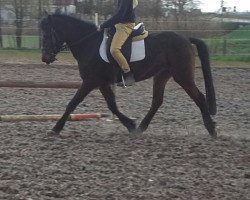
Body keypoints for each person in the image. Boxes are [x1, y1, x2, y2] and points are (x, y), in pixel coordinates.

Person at [97, 0, 138, 86]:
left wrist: (103, 25)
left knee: (114, 50)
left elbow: (119, 15)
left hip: (125, 26)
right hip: (119, 25)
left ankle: (128, 75)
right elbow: (118, 15)